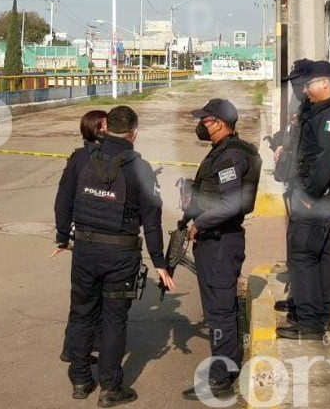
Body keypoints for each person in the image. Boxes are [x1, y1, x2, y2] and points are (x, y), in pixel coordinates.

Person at [53, 105, 175, 406]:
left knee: (82, 313)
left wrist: (61, 236)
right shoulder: (141, 168)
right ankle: (110, 388)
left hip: (85, 249)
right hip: (121, 254)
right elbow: (152, 220)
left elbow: (63, 200)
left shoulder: (81, 158)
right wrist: (159, 262)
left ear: (105, 127)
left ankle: (80, 380)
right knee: (113, 320)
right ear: (134, 133)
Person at [180, 99, 261, 400]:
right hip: (218, 242)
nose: (201, 124)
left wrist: (199, 223)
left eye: (205, 119)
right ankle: (228, 366)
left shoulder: (230, 158)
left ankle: (219, 379)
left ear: (218, 122)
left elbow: (231, 203)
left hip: (219, 243)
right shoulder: (226, 152)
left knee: (219, 312)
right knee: (219, 309)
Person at [277, 60, 330, 340]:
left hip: (320, 197)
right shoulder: (323, 110)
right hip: (324, 195)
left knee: (303, 254)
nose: (305, 91)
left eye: (308, 85)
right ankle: (317, 311)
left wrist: (311, 194)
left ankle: (310, 321)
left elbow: (328, 158)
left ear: (324, 83)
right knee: (321, 254)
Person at [59, 108, 111, 364]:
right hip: (90, 238)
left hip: (88, 238)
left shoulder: (81, 157)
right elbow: (64, 199)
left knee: (85, 299)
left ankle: (83, 347)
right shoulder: (83, 159)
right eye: (106, 126)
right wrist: (62, 235)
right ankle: (76, 348)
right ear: (96, 129)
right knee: (89, 299)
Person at [270, 58, 313, 315]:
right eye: (293, 82)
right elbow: (288, 132)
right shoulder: (299, 103)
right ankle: (299, 296)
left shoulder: (321, 109)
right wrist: (279, 144)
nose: (295, 87)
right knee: (297, 243)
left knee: (310, 247)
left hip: (309, 189)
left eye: (298, 82)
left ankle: (315, 301)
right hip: (295, 184)